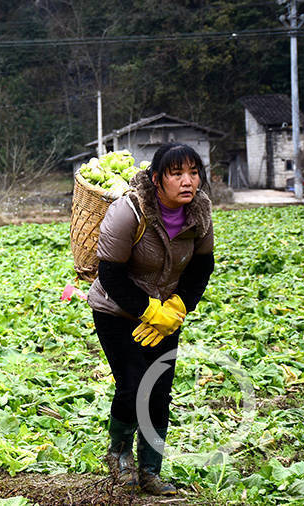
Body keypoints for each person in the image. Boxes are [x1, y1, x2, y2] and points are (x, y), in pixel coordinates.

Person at [87, 143, 215, 495]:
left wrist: (177, 308)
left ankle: (150, 470)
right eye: (177, 174)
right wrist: (149, 310)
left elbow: (203, 266)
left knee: (159, 392)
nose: (187, 181)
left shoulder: (200, 211)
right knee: (133, 384)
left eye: (193, 172)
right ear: (157, 179)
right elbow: (110, 274)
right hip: (116, 309)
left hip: (166, 313)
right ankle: (119, 455)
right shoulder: (129, 211)